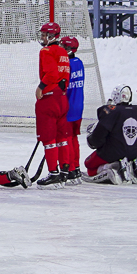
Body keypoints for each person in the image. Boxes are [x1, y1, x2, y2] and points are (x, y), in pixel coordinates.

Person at [83, 85, 137, 184]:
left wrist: (93, 142)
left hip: (112, 153)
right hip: (133, 153)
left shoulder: (110, 111)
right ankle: (130, 166)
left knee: (89, 165)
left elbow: (98, 136)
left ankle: (111, 167)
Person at [35, 21, 71, 188]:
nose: (42, 38)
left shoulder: (46, 51)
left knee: (49, 138)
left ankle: (53, 172)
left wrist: (41, 87)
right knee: (62, 137)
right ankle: (65, 170)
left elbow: (51, 73)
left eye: (44, 35)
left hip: (50, 97)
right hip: (62, 98)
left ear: (51, 36)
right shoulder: (63, 51)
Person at [61, 36, 85, 183]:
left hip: (68, 106)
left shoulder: (66, 65)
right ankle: (75, 167)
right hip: (79, 105)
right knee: (74, 137)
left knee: (66, 138)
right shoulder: (79, 63)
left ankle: (69, 168)